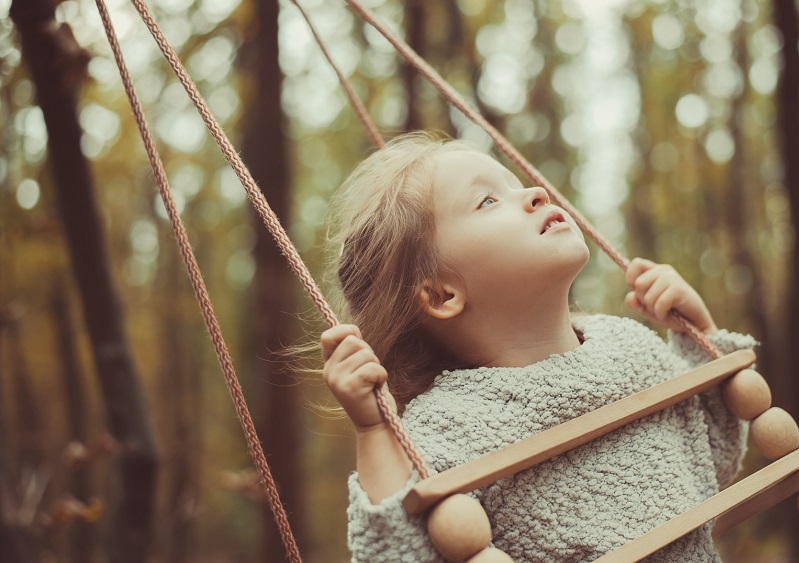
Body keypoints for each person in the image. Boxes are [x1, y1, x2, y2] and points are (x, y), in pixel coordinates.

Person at [320, 132, 757, 562]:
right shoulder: (449, 426)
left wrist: (700, 332)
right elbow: (401, 554)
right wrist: (374, 431)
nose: (535, 192)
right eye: (488, 201)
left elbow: (708, 459)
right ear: (441, 295)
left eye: (516, 184)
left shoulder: (627, 346)